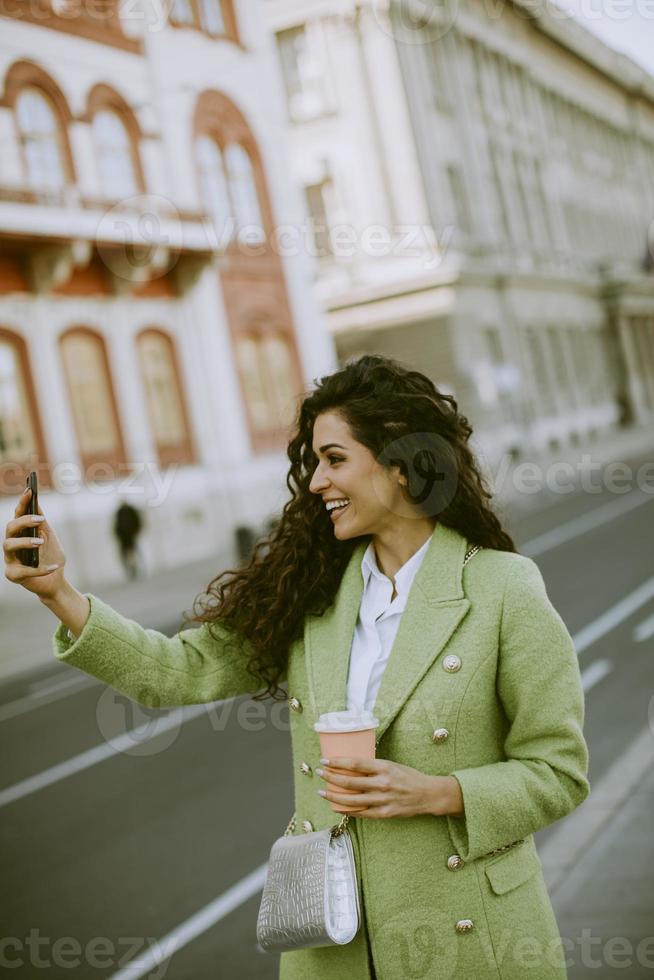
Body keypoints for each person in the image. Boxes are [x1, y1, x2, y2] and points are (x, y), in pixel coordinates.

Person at [3, 355, 590, 980]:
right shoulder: (310, 593)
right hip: (331, 946)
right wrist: (58, 593)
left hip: (474, 946)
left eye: (335, 460)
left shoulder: (503, 588)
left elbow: (559, 771)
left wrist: (438, 793)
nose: (315, 483)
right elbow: (174, 671)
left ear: (398, 468)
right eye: (315, 463)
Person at [112, 500, 143, 580]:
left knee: (132, 554)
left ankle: (134, 568)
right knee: (126, 555)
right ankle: (130, 569)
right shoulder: (120, 512)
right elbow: (116, 525)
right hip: (124, 537)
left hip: (129, 536)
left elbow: (137, 522)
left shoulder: (129, 511)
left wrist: (136, 531)